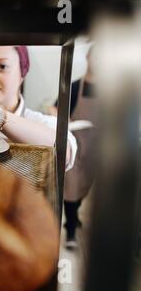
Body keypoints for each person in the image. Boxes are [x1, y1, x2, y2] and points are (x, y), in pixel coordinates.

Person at [50, 47, 97, 249]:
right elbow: (53, 107)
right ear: (87, 57)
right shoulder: (75, 86)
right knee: (71, 186)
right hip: (76, 146)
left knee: (83, 188)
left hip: (96, 149)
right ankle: (70, 231)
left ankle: (74, 214)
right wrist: (62, 120)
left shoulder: (112, 90)